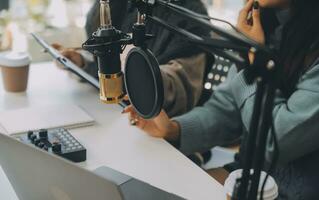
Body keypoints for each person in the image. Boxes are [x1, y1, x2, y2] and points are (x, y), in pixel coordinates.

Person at [124, 0, 319, 199]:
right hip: (248, 173)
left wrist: (251, 66)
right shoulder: (269, 24)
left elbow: (275, 142)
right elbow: (226, 110)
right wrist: (174, 130)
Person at [53, 0, 213, 117]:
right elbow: (105, 58)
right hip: (113, 115)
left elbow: (179, 88)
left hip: (161, 128)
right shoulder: (116, 6)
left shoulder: (189, 13)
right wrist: (81, 61)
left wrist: (137, 75)